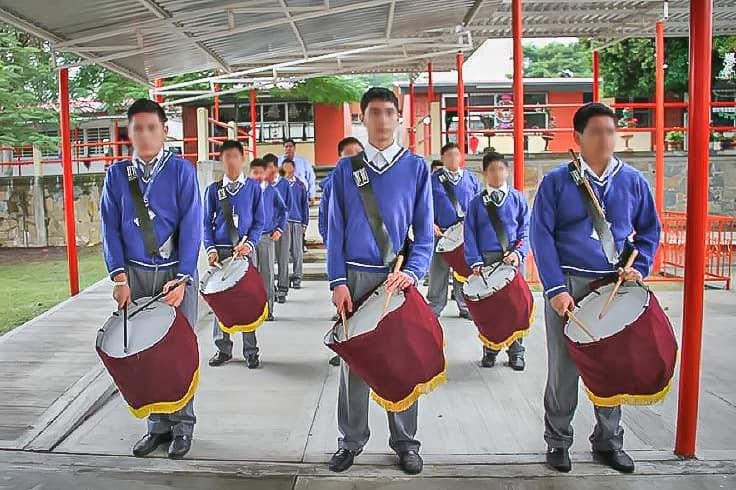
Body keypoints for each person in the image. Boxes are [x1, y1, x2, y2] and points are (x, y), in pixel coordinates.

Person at [530, 102, 660, 474]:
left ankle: (608, 440)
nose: (605, 139)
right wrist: (555, 288)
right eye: (596, 132)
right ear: (578, 138)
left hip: (612, 285)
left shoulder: (633, 181)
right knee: (564, 367)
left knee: (612, 365)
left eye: (610, 132)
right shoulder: (557, 181)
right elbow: (540, 236)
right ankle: (557, 441)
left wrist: (641, 266)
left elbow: (649, 230)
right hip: (568, 285)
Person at [327, 87, 433, 475]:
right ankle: (350, 440)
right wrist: (337, 280)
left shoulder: (417, 167)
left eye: (390, 112)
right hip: (354, 278)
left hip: (397, 279)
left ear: (399, 117)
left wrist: (414, 271)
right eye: (375, 112)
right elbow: (334, 231)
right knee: (354, 363)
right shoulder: (345, 170)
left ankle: (406, 442)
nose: (384, 120)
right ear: (363, 118)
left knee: (401, 361)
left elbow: (424, 234)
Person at [100, 98, 201, 459]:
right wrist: (119, 277)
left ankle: (183, 425)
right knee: (143, 353)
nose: (144, 134)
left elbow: (192, 225)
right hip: (135, 275)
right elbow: (109, 228)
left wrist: (185, 276)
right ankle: (156, 427)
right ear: (129, 132)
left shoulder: (181, 171)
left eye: (151, 127)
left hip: (175, 274)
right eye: (137, 128)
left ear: (164, 130)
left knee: (177, 353)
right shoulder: (116, 175)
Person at [464, 151, 529, 370]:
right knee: (491, 310)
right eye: (492, 169)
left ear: (507, 171)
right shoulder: (476, 203)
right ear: (484, 174)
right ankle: (490, 349)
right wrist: (474, 261)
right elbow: (469, 233)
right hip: (486, 260)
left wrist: (518, 254)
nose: (497, 174)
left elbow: (526, 231)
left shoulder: (518, 199)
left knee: (515, 308)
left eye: (501, 169)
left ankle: (516, 351)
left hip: (512, 260)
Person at [204, 140, 265, 369]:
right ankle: (223, 348)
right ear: (221, 160)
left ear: (242, 160)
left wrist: (249, 244)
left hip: (244, 251)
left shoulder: (253, 189)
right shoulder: (213, 190)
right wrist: (210, 249)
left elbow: (259, 222)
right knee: (221, 304)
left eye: (235, 156)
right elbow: (205, 225)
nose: (231, 161)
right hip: (220, 254)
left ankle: (251, 350)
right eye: (226, 156)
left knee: (246, 301)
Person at [321, 136, 364, 367]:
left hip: (366, 257)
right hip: (342, 256)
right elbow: (326, 224)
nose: (352, 161)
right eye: (347, 157)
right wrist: (334, 251)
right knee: (344, 306)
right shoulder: (333, 185)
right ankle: (344, 348)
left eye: (357, 156)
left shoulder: (373, 182)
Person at [426, 142, 481, 320]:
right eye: (449, 155)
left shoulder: (471, 178)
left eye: (456, 155)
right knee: (438, 271)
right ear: (442, 159)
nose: (453, 158)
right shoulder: (433, 180)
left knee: (463, 270)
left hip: (465, 233)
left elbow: (480, 203)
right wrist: (430, 223)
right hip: (441, 233)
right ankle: (434, 305)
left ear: (461, 157)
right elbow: (423, 205)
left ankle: (465, 305)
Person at [250, 157, 287, 322]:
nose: (258, 175)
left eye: (260, 172)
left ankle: (268, 311)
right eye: (254, 172)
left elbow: (283, 211)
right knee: (250, 276)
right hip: (248, 240)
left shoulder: (272, 191)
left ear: (265, 173)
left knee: (267, 275)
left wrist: (279, 228)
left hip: (266, 237)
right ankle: (252, 312)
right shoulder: (245, 191)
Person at [265, 153, 291, 304]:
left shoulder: (284, 184)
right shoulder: (263, 186)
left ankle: (282, 288)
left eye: (269, 167)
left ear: (275, 167)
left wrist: (281, 227)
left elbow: (287, 207)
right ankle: (271, 289)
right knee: (268, 263)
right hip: (267, 229)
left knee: (282, 258)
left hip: (281, 227)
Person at [282, 158, 309, 289]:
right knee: (284, 253)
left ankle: (297, 278)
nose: (286, 171)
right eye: (284, 168)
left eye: (289, 168)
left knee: (297, 252)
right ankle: (284, 279)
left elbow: (305, 206)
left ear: (294, 169)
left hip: (297, 222)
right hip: (283, 223)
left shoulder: (300, 186)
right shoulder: (278, 186)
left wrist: (305, 223)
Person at [279, 139, 317, 203]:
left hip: (302, 194)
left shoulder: (303, 161)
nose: (288, 148)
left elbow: (311, 178)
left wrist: (312, 194)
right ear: (283, 148)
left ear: (294, 148)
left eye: (290, 146)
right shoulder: (278, 161)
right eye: (286, 146)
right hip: (283, 194)